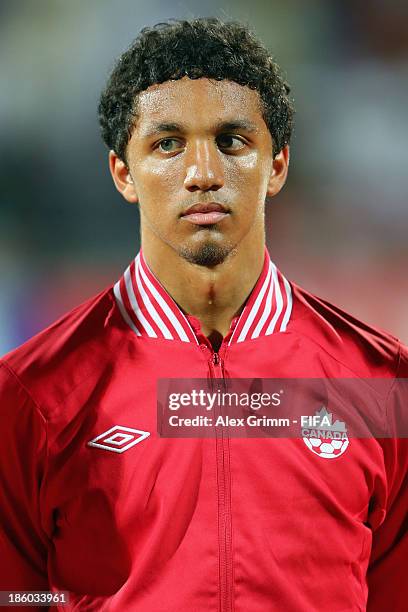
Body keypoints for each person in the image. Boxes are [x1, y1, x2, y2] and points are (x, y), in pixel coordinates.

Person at [0, 18, 406, 612]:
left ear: (278, 165)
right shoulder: (33, 392)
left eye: (232, 141)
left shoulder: (380, 382)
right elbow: (15, 594)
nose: (203, 174)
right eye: (167, 144)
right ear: (122, 174)